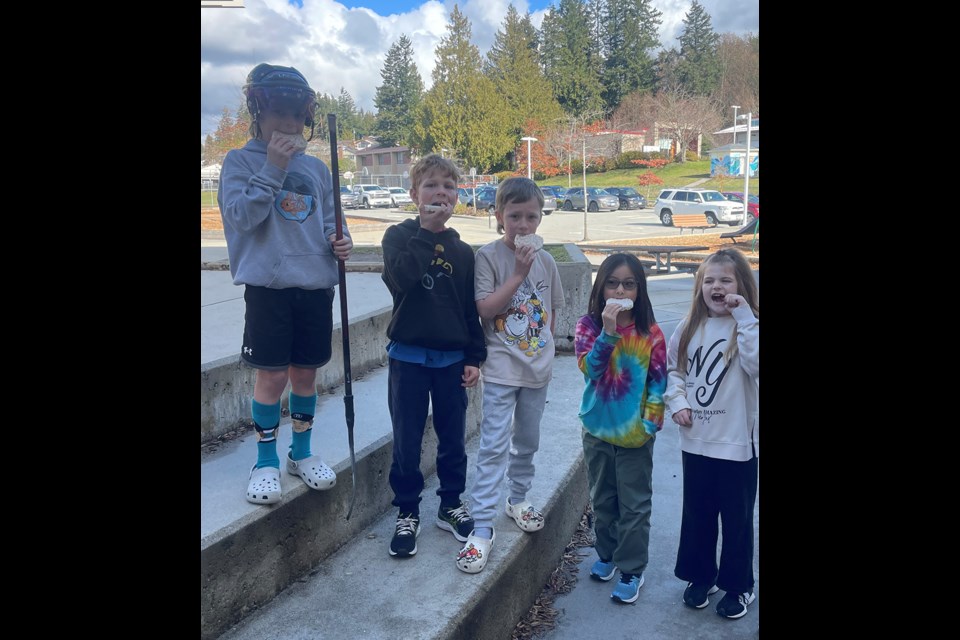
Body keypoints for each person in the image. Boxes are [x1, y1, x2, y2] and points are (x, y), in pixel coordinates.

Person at [218, 63, 353, 506]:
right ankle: (264, 461)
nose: (290, 125)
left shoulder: (315, 168)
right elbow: (241, 218)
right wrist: (274, 167)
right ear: (258, 111)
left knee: (306, 374)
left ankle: (301, 452)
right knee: (272, 375)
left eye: (298, 117)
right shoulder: (239, 162)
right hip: (268, 288)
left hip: (315, 285)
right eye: (280, 114)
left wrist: (342, 242)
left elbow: (334, 220)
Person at [380, 154, 487, 558]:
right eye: (431, 185)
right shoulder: (397, 237)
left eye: (448, 186)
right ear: (414, 194)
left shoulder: (462, 251)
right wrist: (425, 232)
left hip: (450, 361)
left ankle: (450, 503)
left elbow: (467, 308)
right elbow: (402, 280)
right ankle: (407, 510)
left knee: (453, 438)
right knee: (407, 439)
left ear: (458, 196)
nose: (440, 192)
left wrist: (474, 356)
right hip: (408, 359)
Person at [455, 177, 564, 574]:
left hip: (538, 370)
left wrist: (543, 350)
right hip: (501, 368)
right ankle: (482, 525)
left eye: (530, 217)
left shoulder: (548, 260)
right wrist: (518, 272)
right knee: (493, 444)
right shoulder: (488, 257)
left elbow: (551, 309)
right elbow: (485, 309)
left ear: (540, 218)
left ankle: (517, 498)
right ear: (499, 216)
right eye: (513, 216)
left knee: (528, 439)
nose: (522, 224)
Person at [664, 248, 759, 619]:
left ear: (741, 286)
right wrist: (678, 403)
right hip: (696, 441)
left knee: (737, 520)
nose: (717, 286)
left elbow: (755, 365)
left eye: (726, 280)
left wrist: (745, 316)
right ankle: (701, 576)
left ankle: (739, 585)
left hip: (737, 444)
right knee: (698, 514)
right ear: (700, 286)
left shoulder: (748, 326)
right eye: (710, 280)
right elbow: (674, 372)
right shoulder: (688, 327)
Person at [574, 253, 666, 604]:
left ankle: (632, 568)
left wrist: (648, 425)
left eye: (629, 283)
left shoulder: (650, 333)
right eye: (612, 282)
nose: (620, 289)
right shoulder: (588, 325)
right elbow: (590, 370)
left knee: (634, 504)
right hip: (597, 429)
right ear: (601, 288)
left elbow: (658, 385)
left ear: (640, 290)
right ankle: (608, 554)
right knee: (602, 498)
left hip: (634, 435)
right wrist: (608, 333)